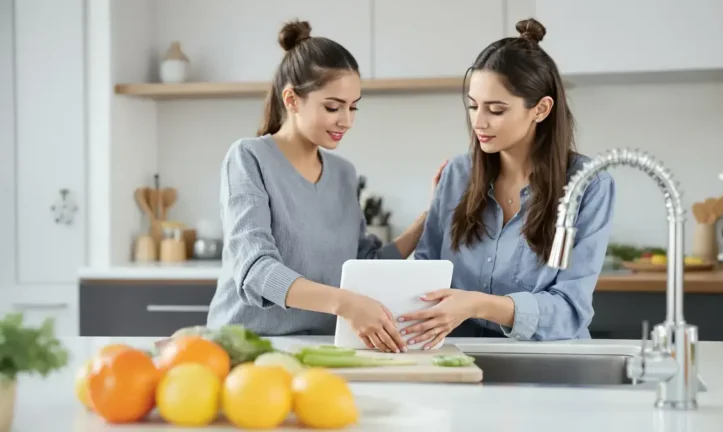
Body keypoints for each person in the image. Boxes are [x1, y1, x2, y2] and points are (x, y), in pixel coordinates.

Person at [207, 20, 444, 354]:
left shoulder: (344, 173)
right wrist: (345, 303)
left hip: (320, 348)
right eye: (333, 107)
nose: (346, 120)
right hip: (248, 347)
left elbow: (365, 262)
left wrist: (430, 216)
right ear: (291, 99)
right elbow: (256, 270)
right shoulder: (249, 157)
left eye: (353, 106)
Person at [399, 18, 616, 348]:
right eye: (473, 106)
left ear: (541, 109)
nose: (479, 122)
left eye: (496, 110)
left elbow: (570, 310)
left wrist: (477, 304)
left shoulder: (589, 185)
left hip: (546, 358)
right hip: (457, 353)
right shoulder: (457, 175)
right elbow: (425, 275)